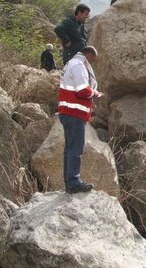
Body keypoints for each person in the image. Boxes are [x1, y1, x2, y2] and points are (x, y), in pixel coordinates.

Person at [58, 46, 103, 194]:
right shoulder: (78, 65)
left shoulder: (71, 63)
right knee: (75, 148)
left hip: (70, 112)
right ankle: (73, 182)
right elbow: (83, 89)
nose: (92, 63)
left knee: (70, 148)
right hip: (74, 112)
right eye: (93, 60)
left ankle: (70, 181)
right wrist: (96, 93)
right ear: (88, 54)